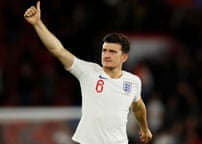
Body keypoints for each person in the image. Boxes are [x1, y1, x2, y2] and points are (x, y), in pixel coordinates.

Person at [24, 1, 152, 144]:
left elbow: (138, 106)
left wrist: (144, 128)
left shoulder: (133, 81)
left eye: (112, 51)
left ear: (124, 57)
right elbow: (58, 51)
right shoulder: (89, 72)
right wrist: (37, 24)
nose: (106, 55)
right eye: (104, 50)